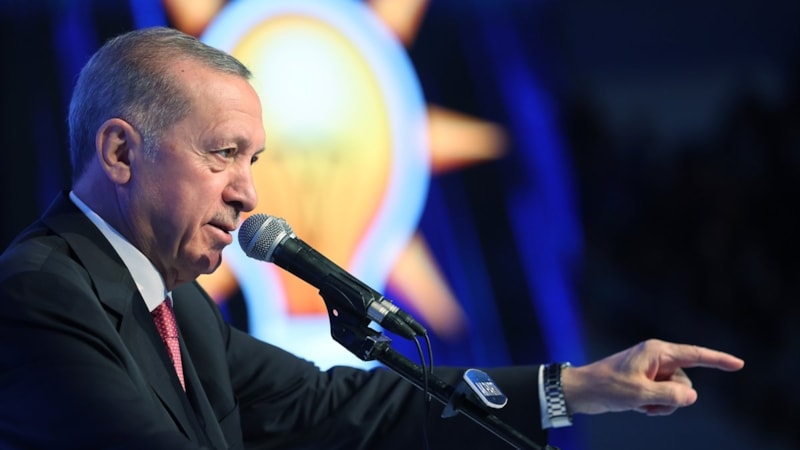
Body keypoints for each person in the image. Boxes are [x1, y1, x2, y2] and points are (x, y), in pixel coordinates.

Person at [0, 27, 743, 450]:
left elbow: (336, 405)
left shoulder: (180, 308)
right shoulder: (38, 292)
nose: (247, 192)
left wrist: (576, 389)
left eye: (253, 161)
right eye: (222, 153)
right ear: (120, 152)